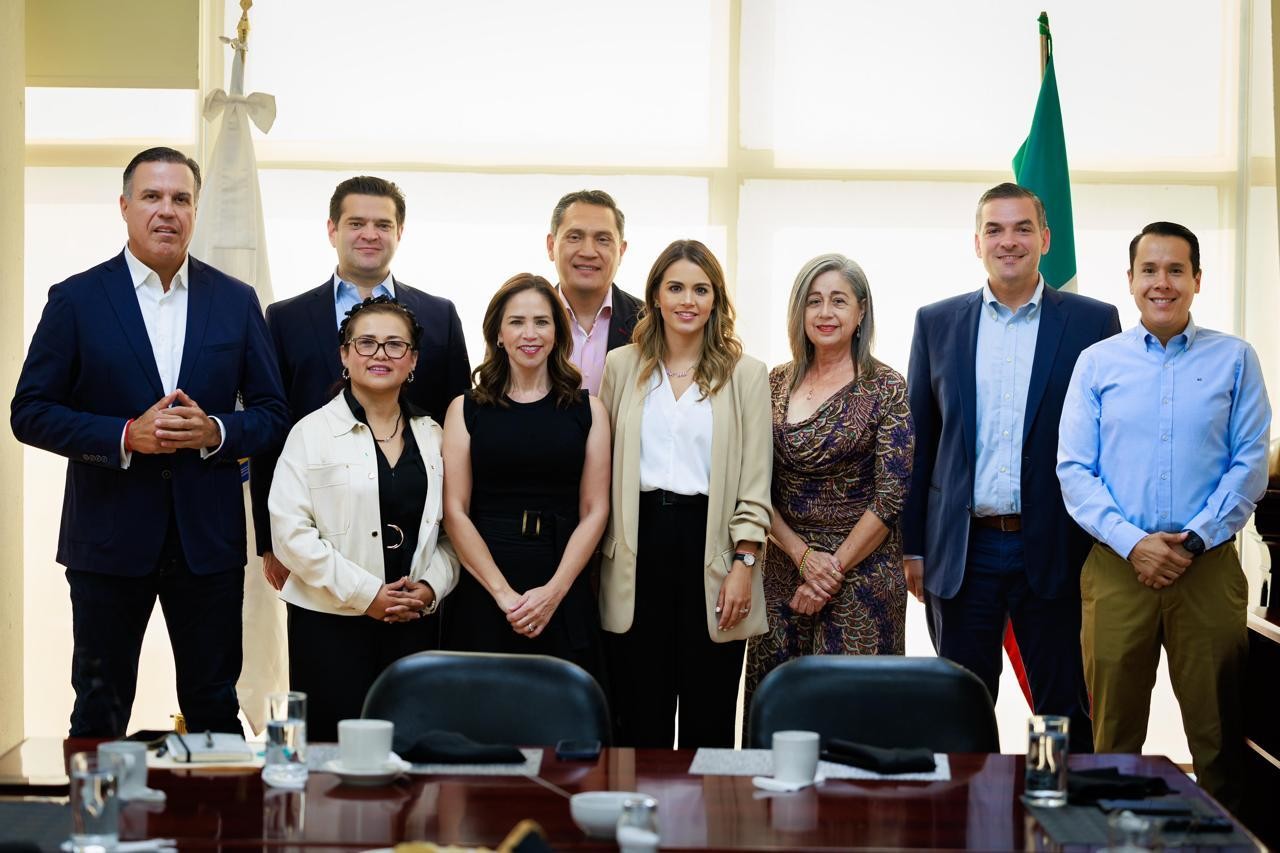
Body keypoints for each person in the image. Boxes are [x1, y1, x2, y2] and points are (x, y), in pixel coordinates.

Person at [10, 146, 289, 736]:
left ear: (196, 210)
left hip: (207, 544)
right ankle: (92, 828)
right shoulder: (76, 299)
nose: (168, 210)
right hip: (107, 541)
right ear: (125, 206)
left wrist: (216, 430)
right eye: (152, 197)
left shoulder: (235, 302)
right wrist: (123, 436)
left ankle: (216, 831)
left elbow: (271, 415)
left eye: (181, 198)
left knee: (215, 707)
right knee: (99, 707)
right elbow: (29, 412)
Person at [1057, 221, 1270, 809]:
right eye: (1149, 270)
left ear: (1197, 280)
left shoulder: (1235, 359)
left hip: (1207, 572)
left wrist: (1193, 541)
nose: (1163, 282)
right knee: (1112, 740)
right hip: (1117, 570)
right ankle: (1103, 843)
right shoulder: (1097, 364)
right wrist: (1135, 544)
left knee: (1220, 738)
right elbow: (1075, 470)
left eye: (1176, 270)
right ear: (1130, 281)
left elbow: (1249, 462)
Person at [902, 183, 1120, 749]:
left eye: (1023, 228)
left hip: (1053, 546)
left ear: (1045, 239)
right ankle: (975, 825)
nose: (1009, 241)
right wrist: (913, 546)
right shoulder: (936, 322)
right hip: (962, 549)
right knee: (963, 704)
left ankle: (1052, 818)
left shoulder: (1093, 323)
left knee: (1059, 706)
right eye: (995, 230)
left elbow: (1108, 442)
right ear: (976, 243)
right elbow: (920, 443)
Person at [251, 175, 470, 599]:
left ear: (399, 233)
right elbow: (270, 426)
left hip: (418, 536)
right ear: (332, 230)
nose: (370, 234)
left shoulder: (440, 316)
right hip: (320, 535)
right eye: (356, 223)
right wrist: (270, 540)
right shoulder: (285, 318)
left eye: (383, 225)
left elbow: (459, 422)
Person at [599, 239, 772, 748]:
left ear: (716, 299)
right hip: (635, 550)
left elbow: (756, 480)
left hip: (714, 549)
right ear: (654, 295)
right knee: (639, 717)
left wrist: (745, 563)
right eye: (675, 287)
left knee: (709, 718)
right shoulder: (620, 367)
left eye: (701, 289)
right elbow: (603, 467)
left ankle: (708, 828)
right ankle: (641, 824)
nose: (687, 300)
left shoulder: (746, 374)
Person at [268, 296, 459, 742]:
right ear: (344, 354)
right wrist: (367, 594)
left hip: (416, 622)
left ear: (412, 359)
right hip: (330, 625)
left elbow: (454, 533)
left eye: (395, 345)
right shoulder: (309, 433)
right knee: (332, 759)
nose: (380, 354)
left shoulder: (435, 436)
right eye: (366, 343)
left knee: (413, 753)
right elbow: (291, 535)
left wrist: (431, 587)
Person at [745, 254, 914, 706]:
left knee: (852, 725)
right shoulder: (772, 382)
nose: (825, 313)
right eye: (813, 301)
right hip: (783, 569)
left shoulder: (887, 387)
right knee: (778, 719)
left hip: (862, 573)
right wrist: (804, 560)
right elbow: (752, 486)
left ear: (861, 312)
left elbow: (892, 496)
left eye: (838, 301)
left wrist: (830, 570)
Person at [440, 274, 610, 676]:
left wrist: (553, 593)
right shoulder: (464, 409)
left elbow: (595, 509)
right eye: (516, 322)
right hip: (484, 582)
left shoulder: (590, 411)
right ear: (498, 333)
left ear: (557, 332)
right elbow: (454, 510)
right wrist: (503, 595)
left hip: (562, 576)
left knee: (566, 724)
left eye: (542, 321)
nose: (529, 333)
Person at [547, 190, 644, 394]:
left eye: (602, 239)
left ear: (621, 251)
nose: (588, 252)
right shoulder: (519, 319)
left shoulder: (649, 321)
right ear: (551, 246)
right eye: (574, 237)